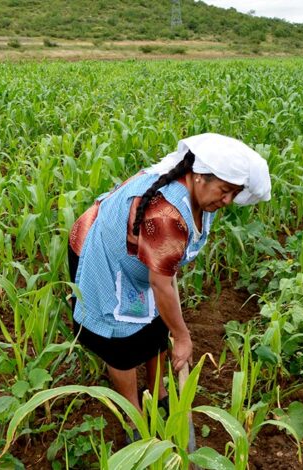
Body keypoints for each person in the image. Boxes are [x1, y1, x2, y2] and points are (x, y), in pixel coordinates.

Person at [67, 133, 271, 433]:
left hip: (140, 262)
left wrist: (174, 327)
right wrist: (184, 337)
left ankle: (159, 393)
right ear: (199, 177)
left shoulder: (201, 197)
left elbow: (165, 275)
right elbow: (161, 284)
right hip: (103, 252)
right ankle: (134, 417)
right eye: (225, 191)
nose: (228, 200)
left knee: (154, 326)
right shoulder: (167, 215)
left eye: (234, 193)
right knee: (121, 344)